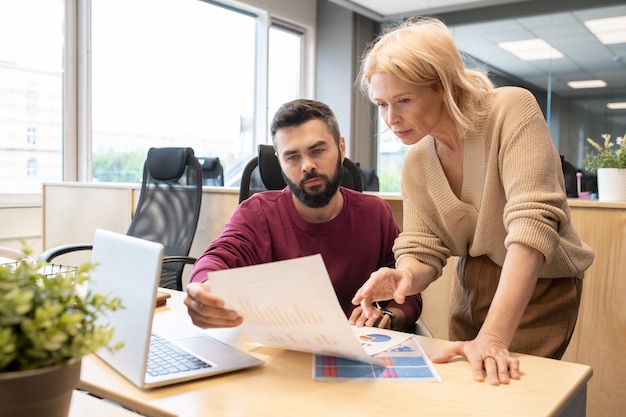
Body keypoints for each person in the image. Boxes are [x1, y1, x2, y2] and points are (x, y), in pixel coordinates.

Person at [352, 17, 594, 385]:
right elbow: (423, 247)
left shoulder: (510, 109)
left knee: (511, 393)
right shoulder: (417, 160)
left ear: (444, 85)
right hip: (471, 284)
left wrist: (493, 338)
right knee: (469, 390)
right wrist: (404, 276)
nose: (391, 119)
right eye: (381, 104)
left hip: (538, 280)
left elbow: (532, 226)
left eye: (403, 100)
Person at [185, 99, 422, 332]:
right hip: (278, 354)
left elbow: (407, 292)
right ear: (280, 161)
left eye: (317, 150)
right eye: (293, 157)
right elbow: (217, 258)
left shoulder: (375, 213)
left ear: (341, 149)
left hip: (356, 352)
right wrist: (205, 290)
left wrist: (388, 317)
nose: (307, 165)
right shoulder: (256, 213)